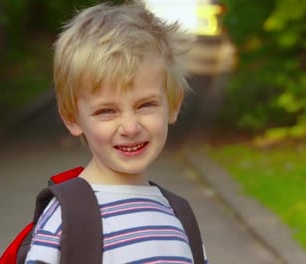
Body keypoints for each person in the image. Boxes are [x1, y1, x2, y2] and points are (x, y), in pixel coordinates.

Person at [25, 1, 208, 263]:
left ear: (174, 104)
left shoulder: (179, 216)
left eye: (146, 105)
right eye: (106, 111)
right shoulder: (68, 219)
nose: (131, 127)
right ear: (72, 118)